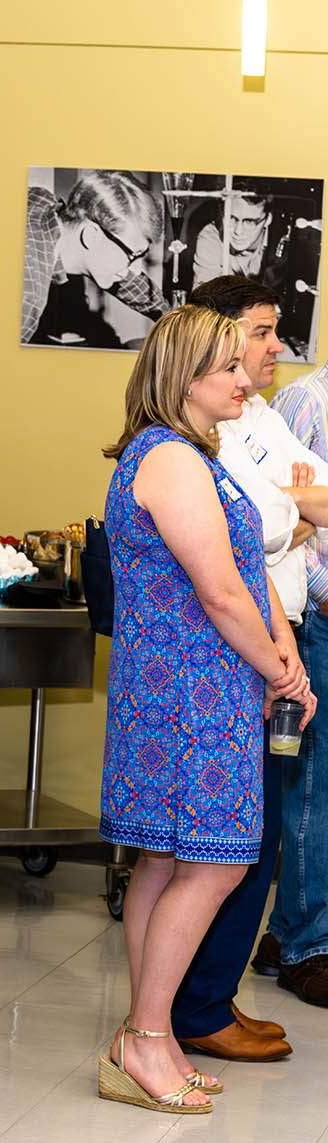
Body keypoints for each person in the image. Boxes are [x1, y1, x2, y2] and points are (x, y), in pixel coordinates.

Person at [97, 305, 313, 1114]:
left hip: (189, 687)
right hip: (191, 693)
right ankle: (151, 1037)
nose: (242, 377)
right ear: (185, 378)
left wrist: (277, 650)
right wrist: (284, 675)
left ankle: (140, 1036)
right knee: (216, 859)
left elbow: (239, 582)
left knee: (161, 860)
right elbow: (221, 592)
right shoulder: (172, 458)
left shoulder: (187, 452)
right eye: (226, 366)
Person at [171, 276, 328, 1059]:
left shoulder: (258, 413)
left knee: (254, 835)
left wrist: (294, 514)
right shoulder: (201, 432)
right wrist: (295, 514)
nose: (274, 348)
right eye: (262, 332)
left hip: (277, 631)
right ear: (217, 337)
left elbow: (302, 510)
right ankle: (197, 1009)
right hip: (240, 652)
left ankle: (209, 997)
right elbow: (254, 539)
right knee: (238, 839)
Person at [262, 325, 328, 1003]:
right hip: (317, 622)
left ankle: (285, 931)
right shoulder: (306, 403)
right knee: (313, 786)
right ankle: (310, 945)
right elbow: (281, 521)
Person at [22, 170, 170, 346]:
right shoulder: (29, 294)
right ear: (92, 235)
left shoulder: (43, 202)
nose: (137, 270)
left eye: (141, 255)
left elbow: (128, 280)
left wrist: (173, 316)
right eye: (132, 255)